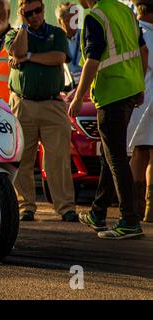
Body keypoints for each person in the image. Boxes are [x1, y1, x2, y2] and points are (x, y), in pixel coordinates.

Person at [69, 0, 149, 239]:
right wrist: (139, 85)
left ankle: (129, 221)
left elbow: (92, 61)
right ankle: (98, 213)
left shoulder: (95, 16)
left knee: (115, 157)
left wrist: (79, 95)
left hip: (111, 93)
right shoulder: (125, 11)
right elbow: (143, 51)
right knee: (109, 154)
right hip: (129, 91)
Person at [5, 0, 78, 222]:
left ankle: (65, 207)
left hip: (52, 104)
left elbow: (59, 57)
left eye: (37, 10)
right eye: (29, 12)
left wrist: (28, 58)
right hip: (22, 104)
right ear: (22, 13)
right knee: (22, 158)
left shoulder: (56, 33)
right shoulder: (14, 34)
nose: (34, 15)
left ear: (43, 9)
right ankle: (25, 206)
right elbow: (17, 51)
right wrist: (24, 28)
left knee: (58, 159)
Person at [127, 0, 153, 223]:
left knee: (140, 152)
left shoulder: (134, 31)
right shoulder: (143, 33)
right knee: (142, 152)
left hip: (139, 100)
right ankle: (142, 208)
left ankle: (140, 208)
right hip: (144, 100)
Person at [56, 2, 83, 81]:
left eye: (76, 20)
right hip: (67, 82)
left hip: (85, 80)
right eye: (69, 21)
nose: (73, 25)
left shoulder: (85, 35)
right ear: (60, 21)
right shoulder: (55, 40)